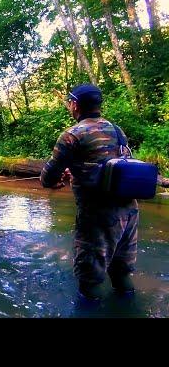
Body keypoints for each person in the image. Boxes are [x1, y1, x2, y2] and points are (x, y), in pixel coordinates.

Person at [40, 83, 138, 302]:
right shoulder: (117, 130)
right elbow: (111, 165)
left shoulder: (72, 135)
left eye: (69, 102)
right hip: (129, 212)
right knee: (122, 273)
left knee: (89, 281)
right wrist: (77, 169)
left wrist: (58, 179)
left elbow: (47, 178)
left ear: (75, 105)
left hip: (97, 217)